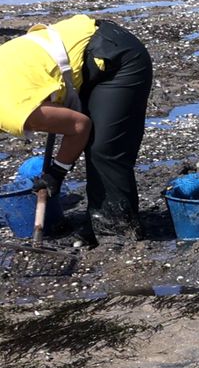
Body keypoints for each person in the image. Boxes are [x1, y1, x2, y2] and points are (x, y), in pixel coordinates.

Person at [0, 14, 153, 240]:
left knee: (104, 148)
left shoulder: (10, 110)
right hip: (79, 54)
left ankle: (116, 232)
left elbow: (79, 126)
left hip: (115, 56)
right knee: (96, 139)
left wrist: (57, 172)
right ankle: (99, 221)